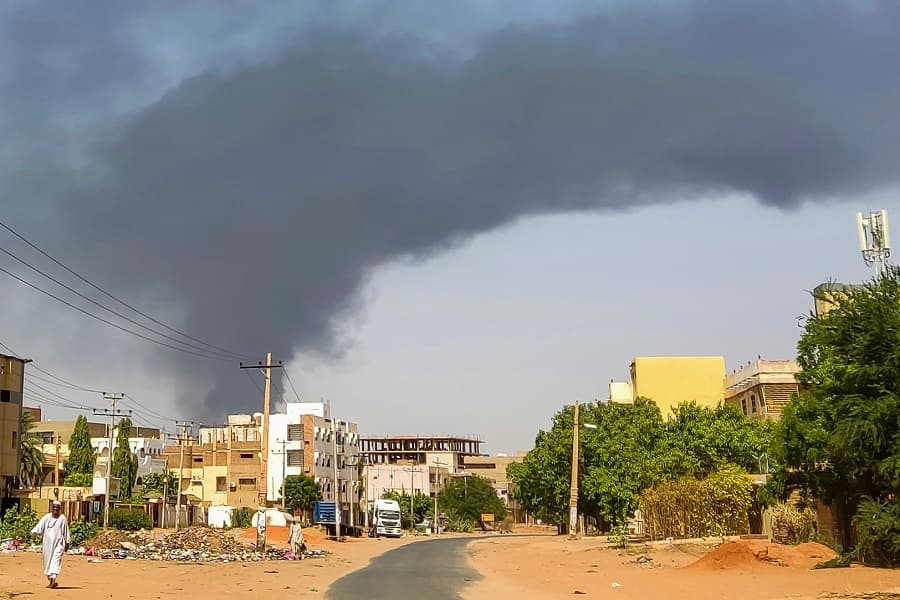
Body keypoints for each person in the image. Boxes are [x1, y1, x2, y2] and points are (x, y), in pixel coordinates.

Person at [30, 500, 70, 588]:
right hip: (47, 544)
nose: (55, 509)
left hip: (58, 544)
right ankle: (51, 578)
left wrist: (67, 543)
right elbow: (39, 526)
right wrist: (34, 532)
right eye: (54, 507)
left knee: (56, 560)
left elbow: (66, 531)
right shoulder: (47, 517)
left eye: (57, 507)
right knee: (48, 561)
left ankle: (53, 580)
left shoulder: (62, 518)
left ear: (60, 509)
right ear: (52, 508)